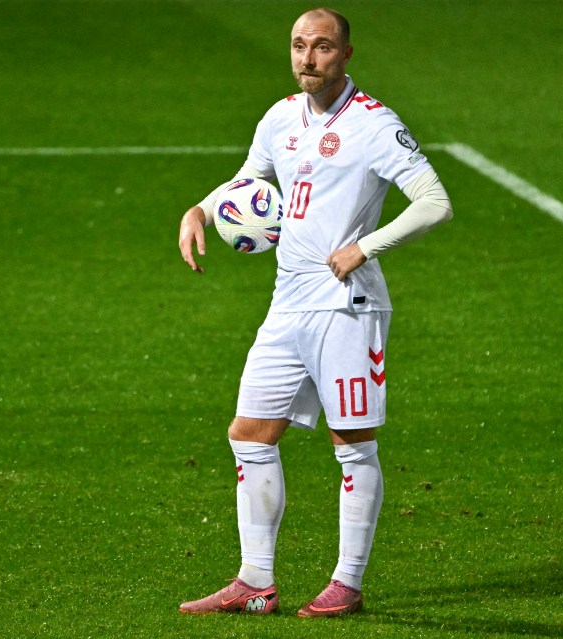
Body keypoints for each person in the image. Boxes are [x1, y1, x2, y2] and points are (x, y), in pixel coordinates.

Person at [177, 7, 452, 618]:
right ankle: (255, 582)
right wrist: (201, 207)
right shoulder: (280, 116)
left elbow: (435, 203)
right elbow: (251, 178)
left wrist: (364, 246)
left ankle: (347, 583)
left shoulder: (375, 125)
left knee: (351, 442)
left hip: (347, 305)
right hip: (287, 302)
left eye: (322, 47)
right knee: (249, 434)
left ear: (346, 54)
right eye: (300, 45)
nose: (308, 58)